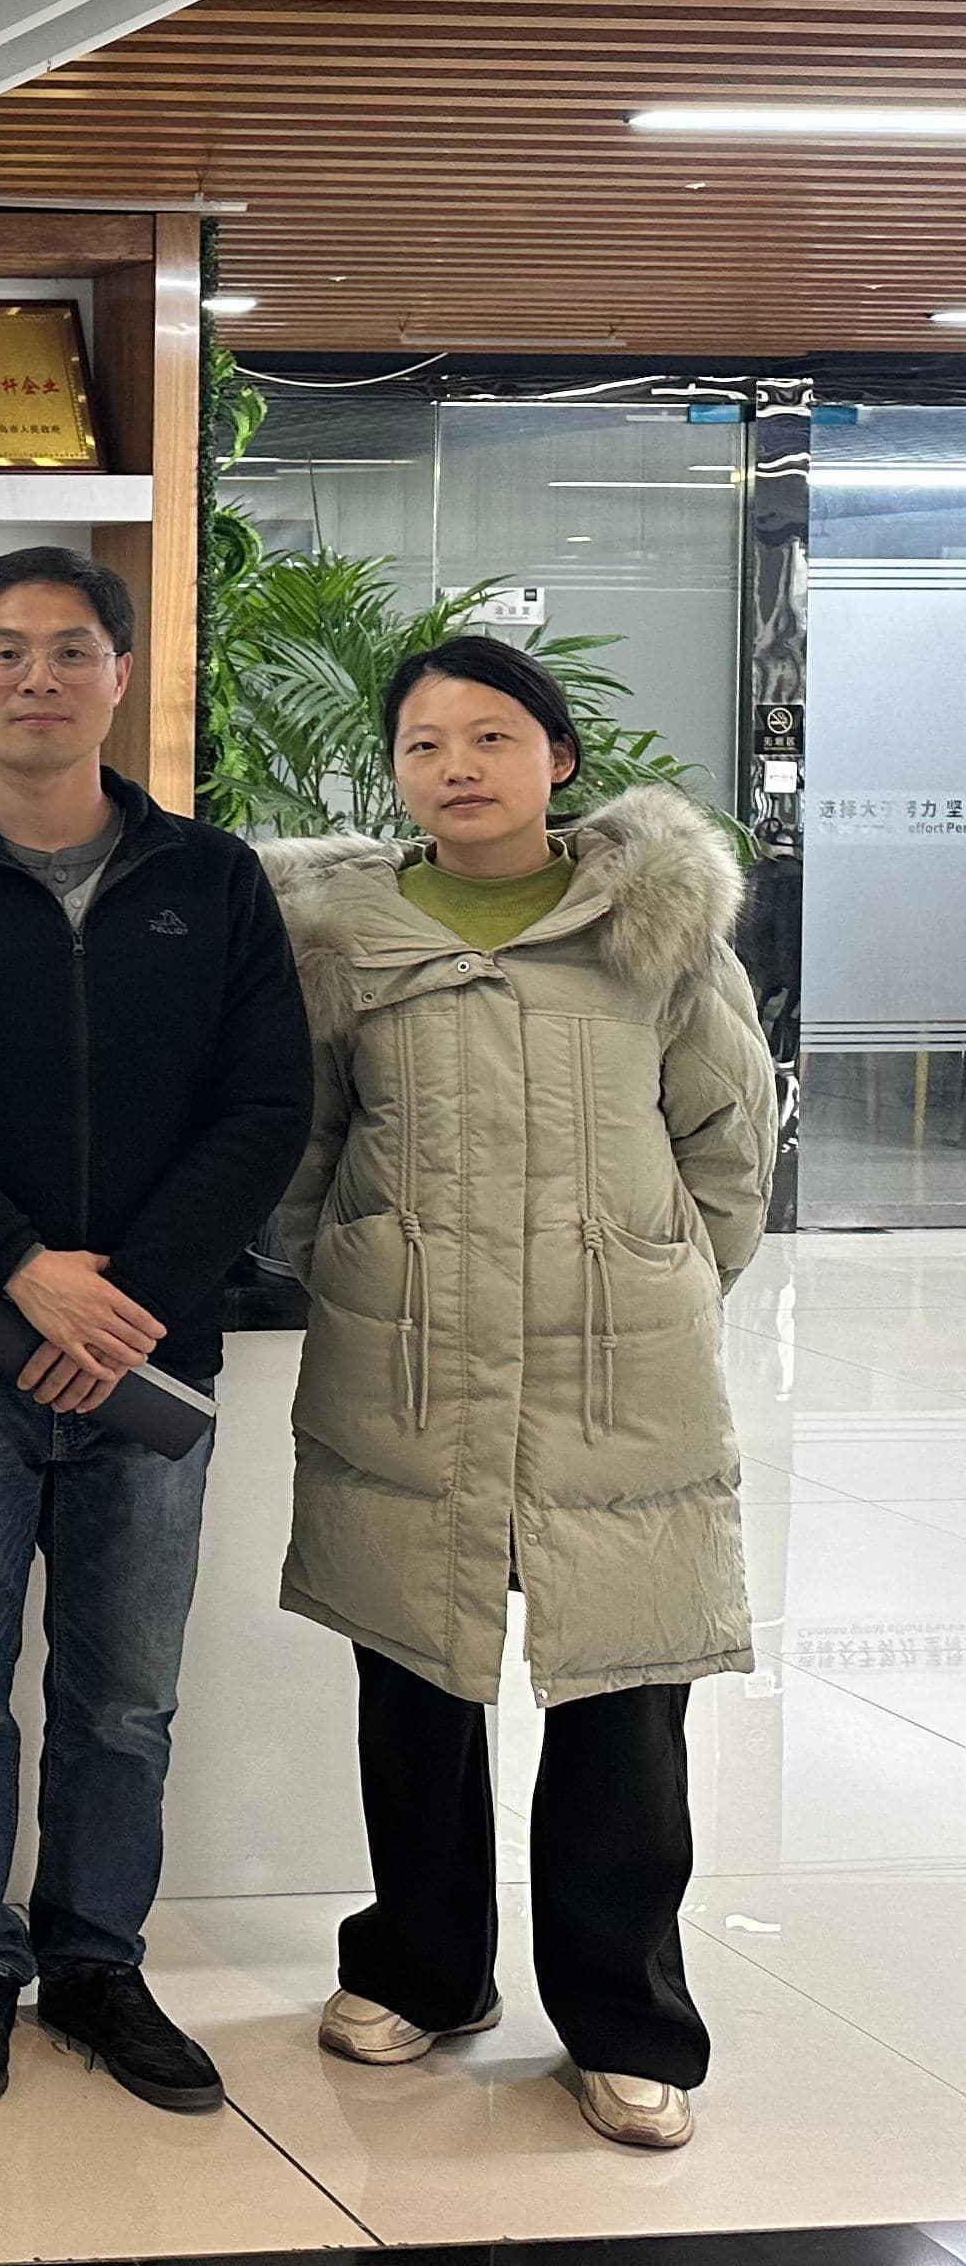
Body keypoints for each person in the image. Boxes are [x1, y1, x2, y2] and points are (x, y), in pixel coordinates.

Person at [0, 548, 309, 2115]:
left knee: (126, 1694)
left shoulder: (213, 881)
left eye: (71, 649)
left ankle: (98, 1961)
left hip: (150, 1349)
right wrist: (25, 1269)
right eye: (5, 651)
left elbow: (264, 1106)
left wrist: (124, 1294)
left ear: (119, 675)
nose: (38, 677)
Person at [262, 636, 774, 2155]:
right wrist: (368, 1261)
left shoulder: (654, 929)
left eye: (492, 737)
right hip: (409, 1353)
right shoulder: (340, 940)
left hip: (618, 1363)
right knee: (418, 1675)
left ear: (559, 757)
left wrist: (654, 1273)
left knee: (625, 1693)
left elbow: (729, 1141)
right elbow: (301, 1153)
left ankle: (626, 2024)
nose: (458, 768)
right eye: (425, 744)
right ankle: (422, 1969)